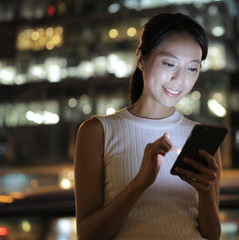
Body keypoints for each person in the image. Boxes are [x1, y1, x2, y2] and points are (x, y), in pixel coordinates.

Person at [73, 12, 221, 240]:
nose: (180, 79)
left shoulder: (201, 138)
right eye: (169, 63)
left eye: (192, 68)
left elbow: (211, 235)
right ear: (141, 59)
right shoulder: (98, 132)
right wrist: (140, 183)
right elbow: (88, 235)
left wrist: (206, 192)